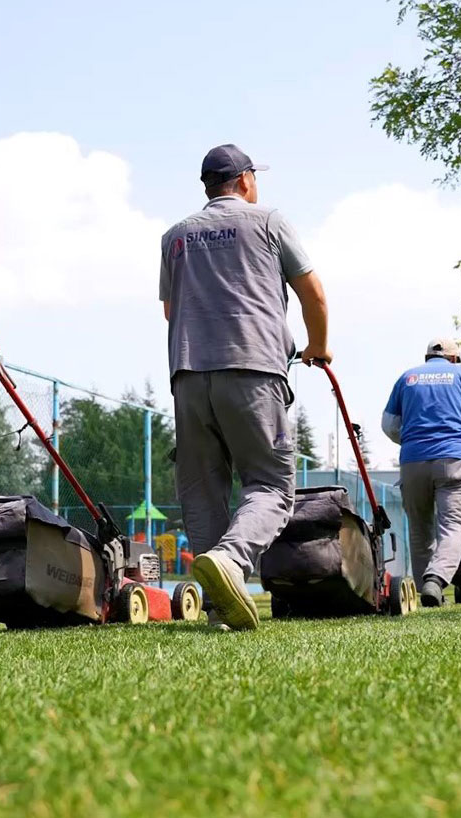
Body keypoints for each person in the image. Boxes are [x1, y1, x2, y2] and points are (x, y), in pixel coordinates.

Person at [163, 144, 330, 632]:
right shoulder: (268, 221)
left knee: (202, 490)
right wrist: (318, 346)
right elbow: (312, 293)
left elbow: (172, 312)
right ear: (245, 180)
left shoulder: (174, 237)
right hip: (254, 370)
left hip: (189, 374)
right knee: (271, 484)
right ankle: (233, 561)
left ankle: (220, 608)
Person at [382, 339, 461, 607]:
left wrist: (411, 440)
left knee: (419, 529)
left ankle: (427, 591)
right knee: (455, 526)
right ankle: (436, 580)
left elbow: (389, 424)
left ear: (426, 358)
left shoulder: (407, 378)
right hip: (455, 459)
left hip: (412, 461)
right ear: (454, 359)